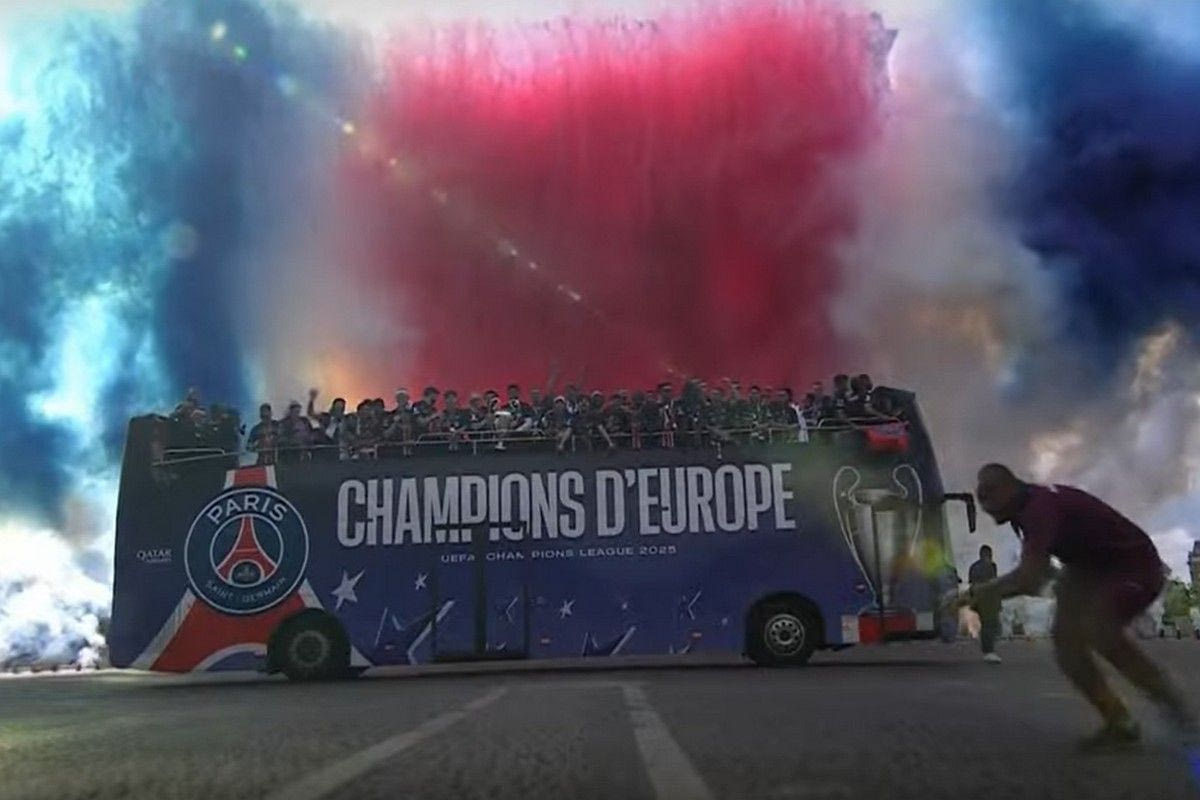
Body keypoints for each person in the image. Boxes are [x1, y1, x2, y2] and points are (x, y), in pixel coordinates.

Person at [947, 464, 1196, 750]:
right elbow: (1040, 572)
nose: (987, 510)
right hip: (1089, 569)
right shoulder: (1024, 512)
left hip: (1134, 566)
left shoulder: (1038, 509)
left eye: (987, 497)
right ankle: (1118, 721)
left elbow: (1029, 579)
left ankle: (1177, 709)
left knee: (1100, 630)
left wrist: (976, 593)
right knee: (1066, 641)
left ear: (1007, 487)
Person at [968, 545, 1002, 664]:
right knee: (989, 625)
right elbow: (993, 584)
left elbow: (972, 585)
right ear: (989, 554)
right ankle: (989, 651)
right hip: (988, 600)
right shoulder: (991, 566)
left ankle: (988, 650)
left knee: (986, 624)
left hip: (978, 599)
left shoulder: (973, 566)